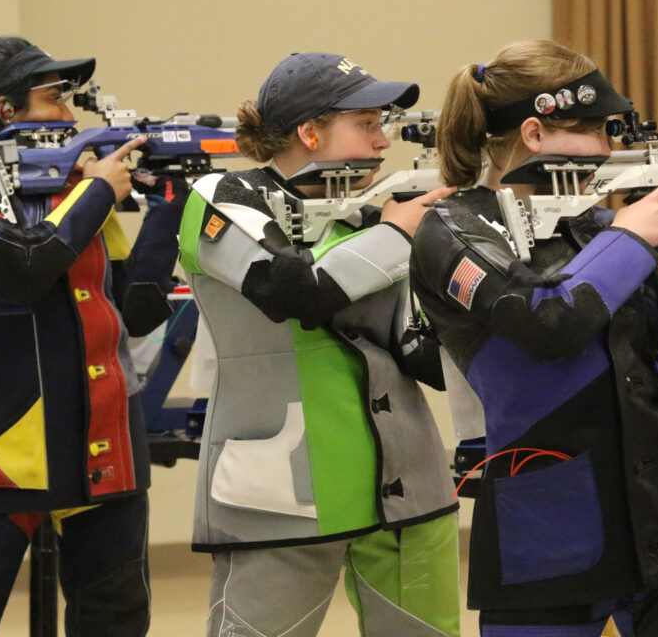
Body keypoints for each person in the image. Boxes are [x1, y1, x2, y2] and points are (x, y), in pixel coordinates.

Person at [409, 40, 658, 637]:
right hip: (549, 531)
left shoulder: (596, 226)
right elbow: (547, 323)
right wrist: (630, 240)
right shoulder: (453, 228)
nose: (610, 147)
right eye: (597, 130)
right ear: (536, 135)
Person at [0, 29, 186, 637]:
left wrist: (168, 205)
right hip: (5, 441)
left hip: (105, 429)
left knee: (113, 618)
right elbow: (24, 266)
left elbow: (135, 309)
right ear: (7, 110)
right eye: (55, 97)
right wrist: (95, 192)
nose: (70, 112)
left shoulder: (72, 188)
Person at [178, 52, 460, 637]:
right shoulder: (223, 195)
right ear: (309, 132)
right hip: (283, 490)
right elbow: (295, 290)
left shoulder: (380, 209)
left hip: (406, 482)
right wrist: (394, 235)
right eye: (367, 124)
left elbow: (424, 354)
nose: (384, 142)